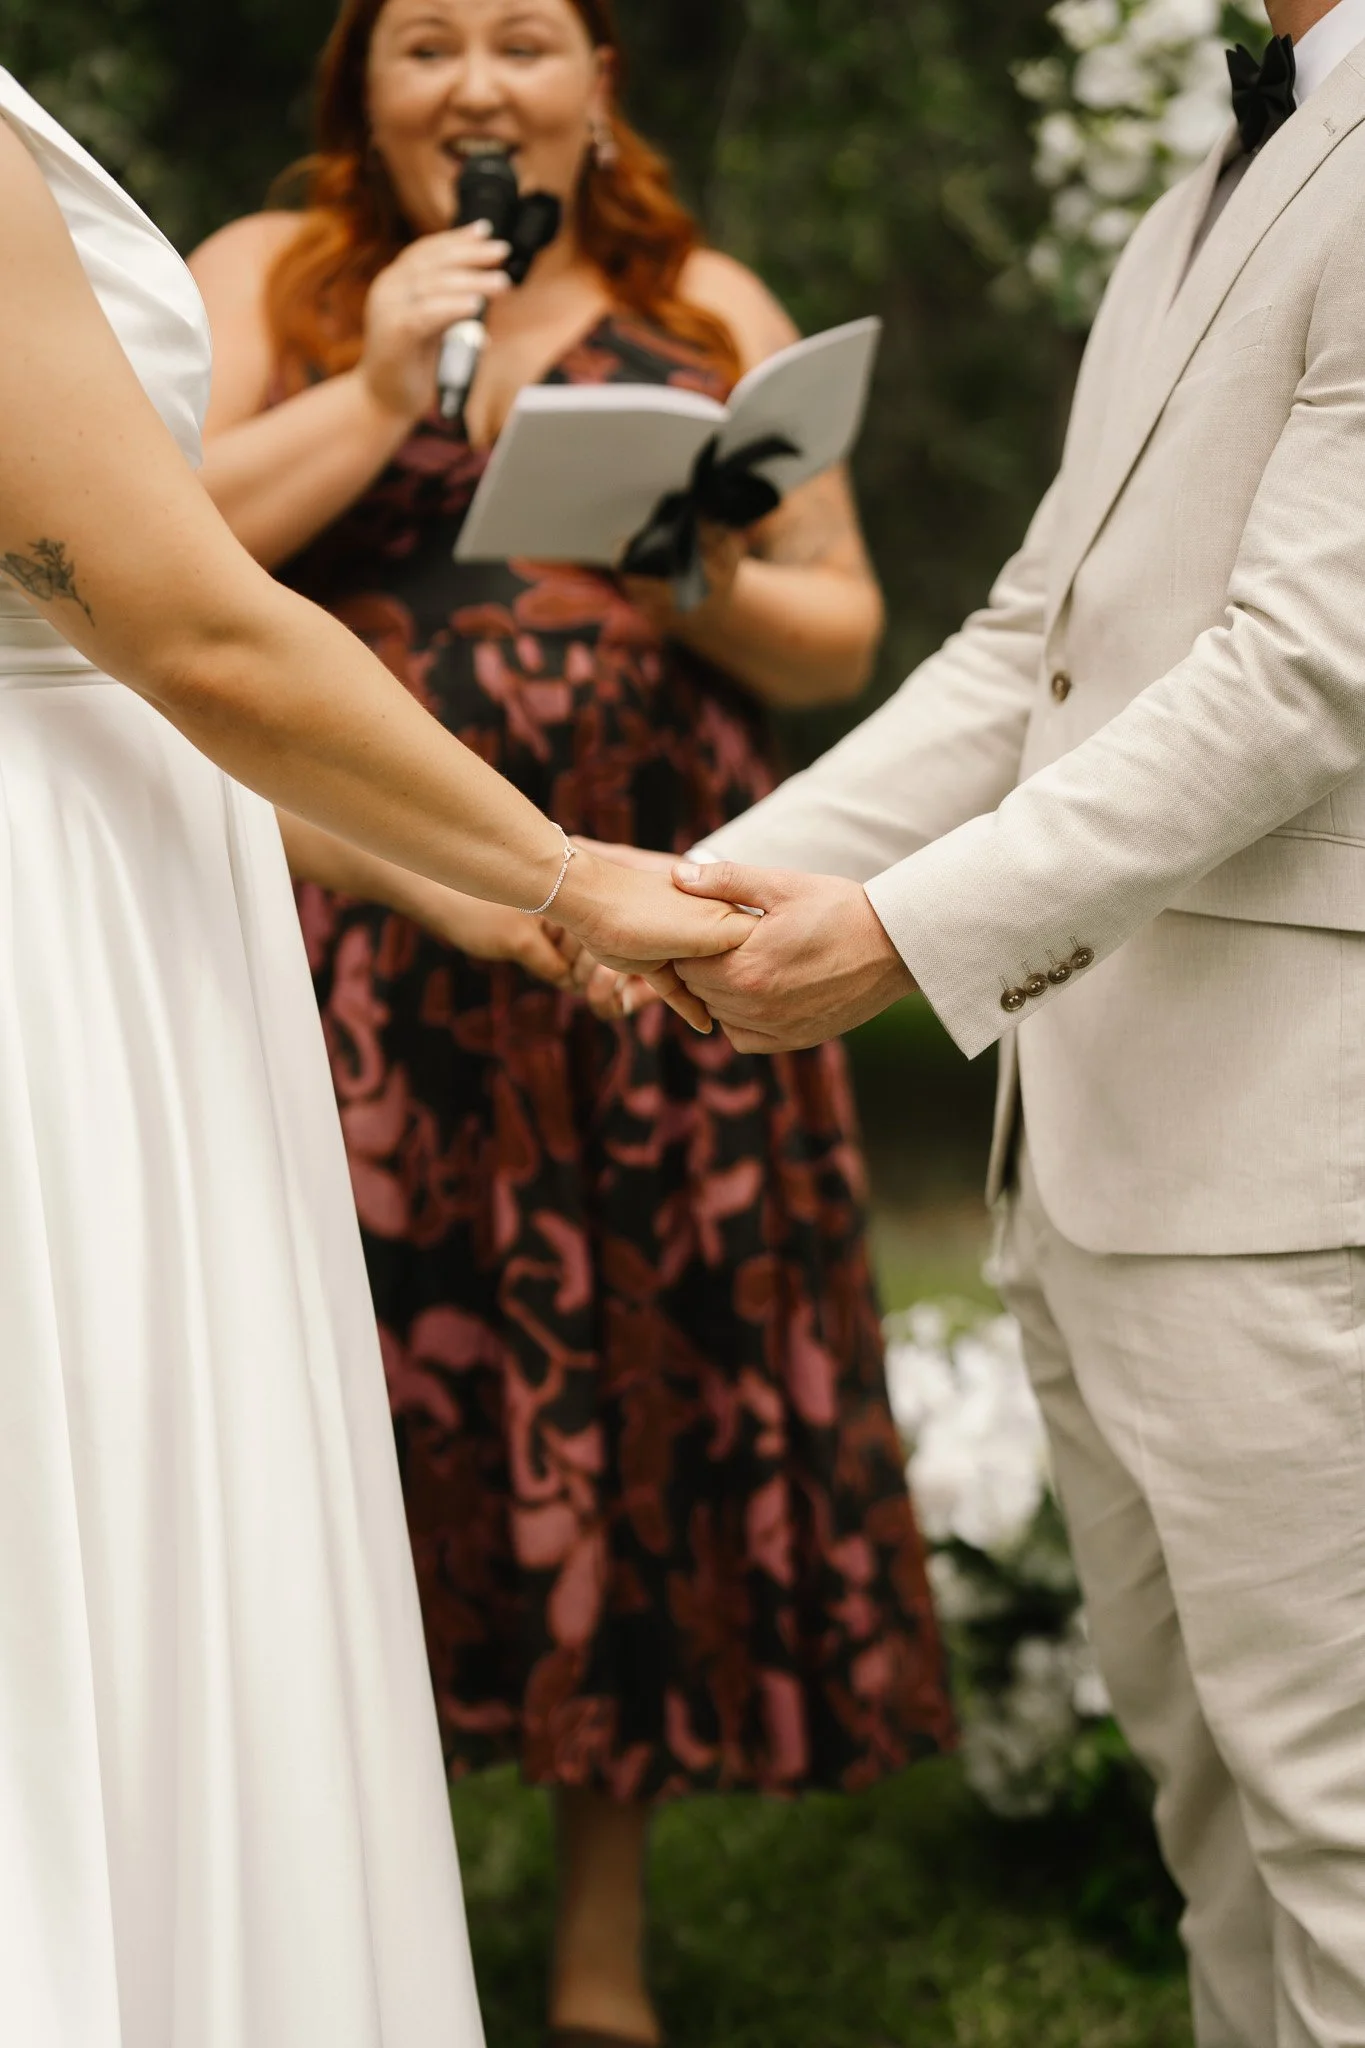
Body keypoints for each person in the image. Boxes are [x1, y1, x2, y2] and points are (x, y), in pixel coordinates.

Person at [585, 0, 1365, 2038]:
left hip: (1292, 1158)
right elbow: (1036, 641)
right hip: (1091, 1147)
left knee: (1341, 1831)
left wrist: (905, 938)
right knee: (1212, 1821)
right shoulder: (1204, 187)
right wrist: (697, 877)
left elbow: (1304, 669)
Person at [188, 3, 953, 2043]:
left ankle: (598, 1957)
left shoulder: (702, 302)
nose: (475, 84)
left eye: (521, 36)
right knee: (350, 1417)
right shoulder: (273, 280)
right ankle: (336, 1912)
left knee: (619, 1415)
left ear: (596, 78)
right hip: (349, 957)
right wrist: (369, 390)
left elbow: (840, 623)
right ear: (362, 82)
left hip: (636, 961)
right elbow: (147, 571)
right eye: (422, 39)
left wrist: (688, 571)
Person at [0, 60, 758, 2048]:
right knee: (95, 1564)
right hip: (59, 970)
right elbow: (181, 629)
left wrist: (453, 884)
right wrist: (571, 871)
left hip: (152, 873)